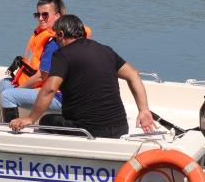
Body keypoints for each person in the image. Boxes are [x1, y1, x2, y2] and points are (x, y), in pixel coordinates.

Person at [9, 15, 156, 138]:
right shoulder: (105, 50)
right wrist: (143, 110)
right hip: (120, 128)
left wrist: (30, 118)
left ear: (60, 34)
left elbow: (49, 89)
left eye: (55, 37)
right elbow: (133, 74)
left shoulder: (62, 55)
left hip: (89, 130)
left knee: (47, 120)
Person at [0, 0, 67, 124]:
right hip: (40, 87)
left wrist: (18, 90)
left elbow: (42, 77)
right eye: (38, 14)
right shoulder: (43, 34)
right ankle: (8, 121)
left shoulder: (54, 42)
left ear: (57, 16)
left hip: (56, 94)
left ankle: (12, 130)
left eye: (45, 15)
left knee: (7, 95)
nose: (40, 18)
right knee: (4, 83)